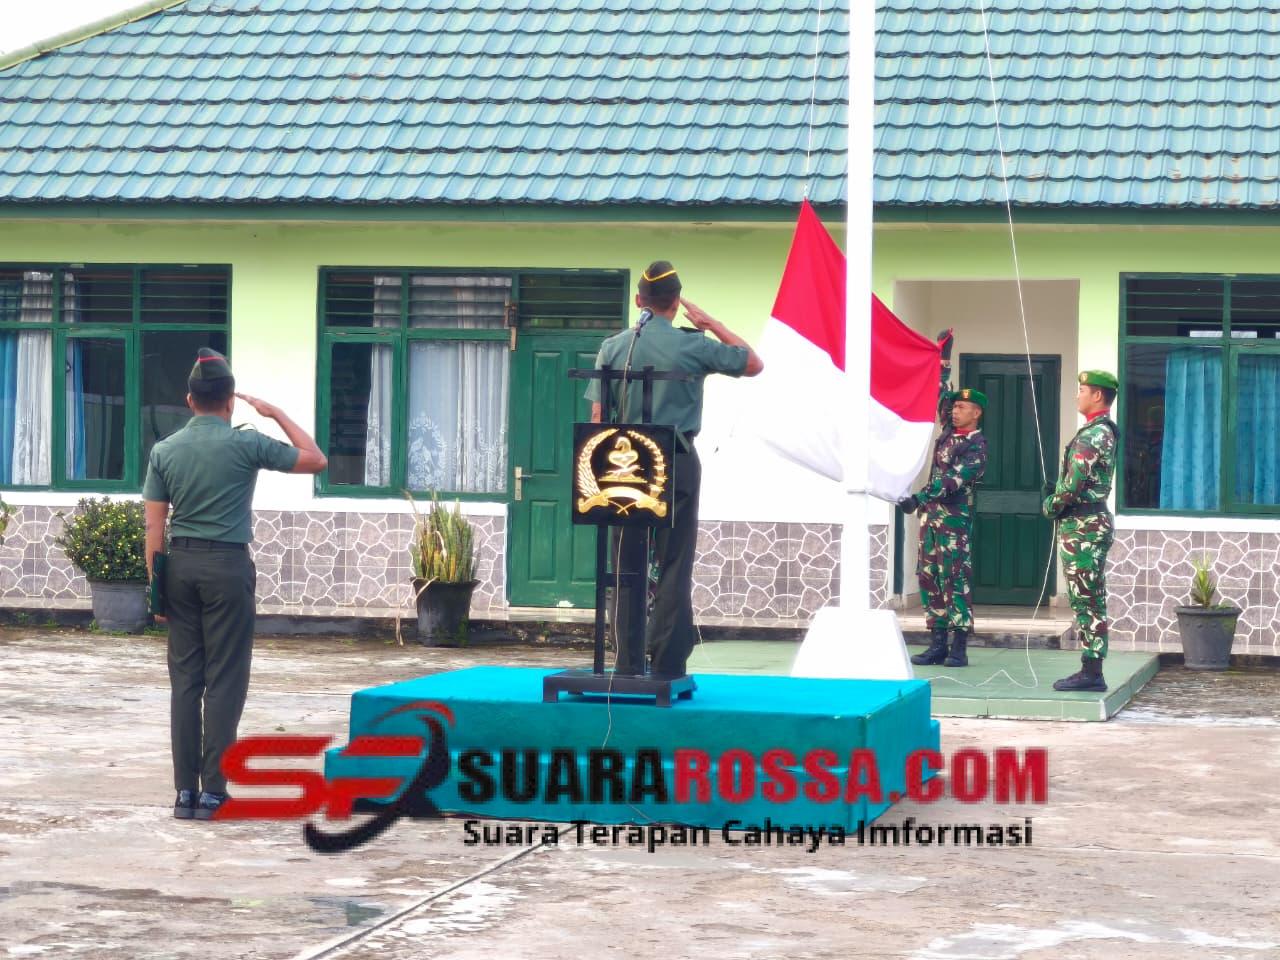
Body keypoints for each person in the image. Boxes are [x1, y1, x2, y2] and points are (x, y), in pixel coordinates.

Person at [143, 348, 327, 820]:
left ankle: (184, 794)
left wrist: (156, 590)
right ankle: (212, 793)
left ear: (190, 400)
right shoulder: (247, 444)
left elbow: (154, 529)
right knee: (224, 680)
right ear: (229, 400)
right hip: (227, 567)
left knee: (186, 682)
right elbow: (316, 460)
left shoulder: (165, 450)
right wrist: (275, 412)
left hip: (180, 567)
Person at [586, 262, 763, 679]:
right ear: (677, 302)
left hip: (623, 465)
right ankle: (667, 663)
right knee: (674, 562)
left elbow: (597, 417)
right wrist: (710, 323)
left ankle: (626, 662)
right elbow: (753, 363)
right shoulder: (693, 344)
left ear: (638, 301)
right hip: (676, 459)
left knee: (625, 565)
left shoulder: (613, 347)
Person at [899, 334, 988, 668]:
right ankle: (937, 642)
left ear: (976, 413)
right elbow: (939, 396)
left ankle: (959, 645)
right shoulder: (949, 432)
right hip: (931, 518)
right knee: (929, 576)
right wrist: (942, 361)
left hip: (953, 519)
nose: (955, 410)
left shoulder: (976, 446)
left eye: (962, 407)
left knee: (954, 579)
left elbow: (952, 481)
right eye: (955, 407)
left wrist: (919, 497)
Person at [1043, 370, 1119, 692]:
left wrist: (1051, 504)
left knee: (1086, 599)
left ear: (1097, 396)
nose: (1078, 395)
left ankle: (1092, 671)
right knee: (1088, 597)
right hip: (1086, 524)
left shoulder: (1093, 434)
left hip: (1084, 527)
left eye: (1083, 390)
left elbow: (1074, 483)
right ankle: (1091, 668)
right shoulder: (1098, 430)